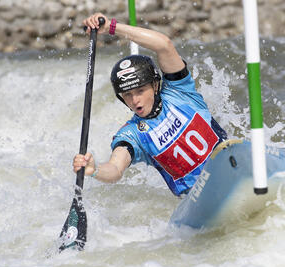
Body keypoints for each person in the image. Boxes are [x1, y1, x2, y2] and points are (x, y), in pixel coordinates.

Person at [73, 13, 227, 196]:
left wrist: (112, 28)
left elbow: (164, 45)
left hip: (228, 167)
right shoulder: (133, 134)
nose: (135, 100)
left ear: (155, 85)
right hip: (197, 198)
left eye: (140, 91)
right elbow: (115, 168)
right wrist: (94, 169)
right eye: (128, 95)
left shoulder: (180, 91)